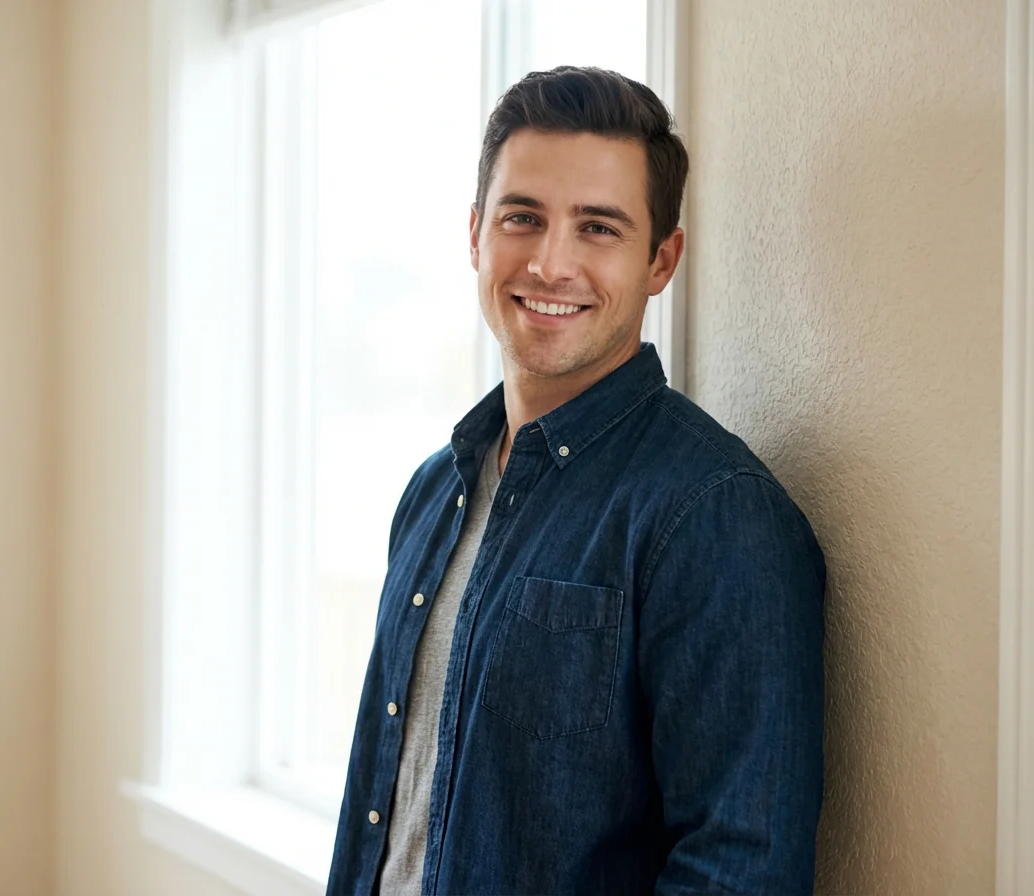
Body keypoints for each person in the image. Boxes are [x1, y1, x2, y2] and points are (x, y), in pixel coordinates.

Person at [327, 66, 826, 896]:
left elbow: (740, 870)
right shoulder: (431, 492)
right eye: (523, 217)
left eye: (599, 228)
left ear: (661, 260)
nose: (551, 263)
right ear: (477, 235)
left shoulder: (716, 517)